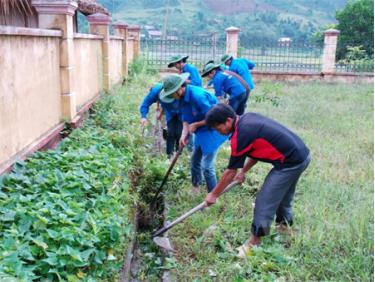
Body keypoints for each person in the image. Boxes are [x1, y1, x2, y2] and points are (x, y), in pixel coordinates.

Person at [204, 104, 311, 256]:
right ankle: (284, 229)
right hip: (302, 155)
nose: (218, 132)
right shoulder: (246, 119)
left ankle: (255, 242)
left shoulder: (240, 135)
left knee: (265, 200)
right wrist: (243, 172)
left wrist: (213, 194)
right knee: (283, 196)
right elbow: (255, 151)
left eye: (217, 128)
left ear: (228, 121)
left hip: (290, 162)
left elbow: (229, 172)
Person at [160, 73, 227, 193]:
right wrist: (183, 134)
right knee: (195, 160)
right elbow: (185, 118)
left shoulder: (198, 96)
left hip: (214, 130)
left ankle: (213, 195)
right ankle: (196, 187)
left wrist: (196, 125)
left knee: (207, 166)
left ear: (180, 88)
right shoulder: (180, 98)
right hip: (201, 132)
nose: (171, 96)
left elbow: (214, 118)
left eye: (171, 93)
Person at [139, 82, 182, 158]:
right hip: (169, 112)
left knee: (179, 133)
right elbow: (145, 104)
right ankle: (170, 154)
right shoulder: (155, 92)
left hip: (180, 110)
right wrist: (143, 117)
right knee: (170, 132)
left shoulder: (178, 91)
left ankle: (179, 152)